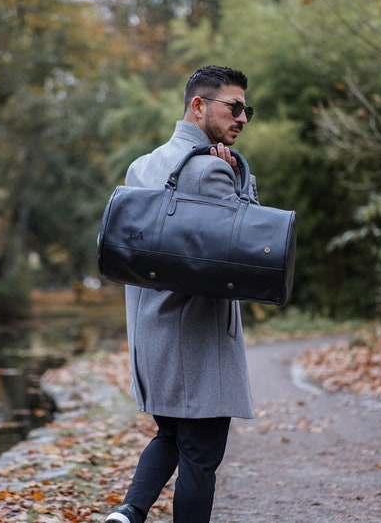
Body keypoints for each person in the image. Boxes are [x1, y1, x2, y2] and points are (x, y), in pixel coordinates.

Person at [105, 65, 257, 523]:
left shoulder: (142, 164)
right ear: (198, 106)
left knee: (171, 436)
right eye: (233, 106)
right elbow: (247, 243)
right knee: (201, 457)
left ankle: (128, 513)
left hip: (152, 334)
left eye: (246, 109)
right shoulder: (211, 170)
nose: (243, 117)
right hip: (197, 341)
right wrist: (240, 174)